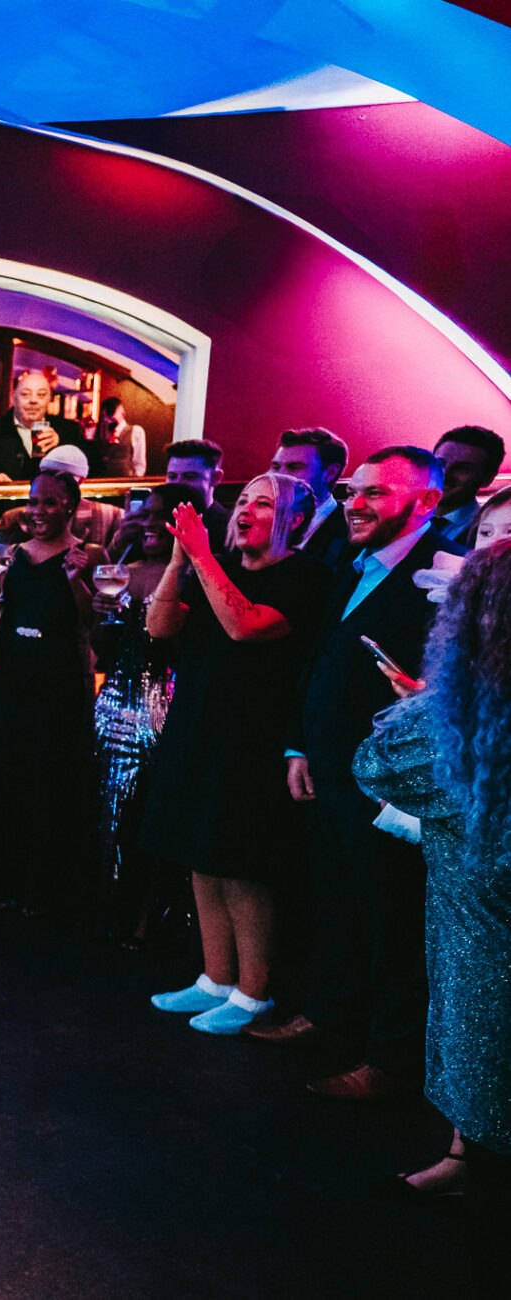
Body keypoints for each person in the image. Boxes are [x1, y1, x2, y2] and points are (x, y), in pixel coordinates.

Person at [248, 448, 460, 1100]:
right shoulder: (355, 563)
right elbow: (323, 660)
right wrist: (297, 747)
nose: (355, 503)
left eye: (374, 493)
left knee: (391, 917)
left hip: (393, 781)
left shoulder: (445, 574)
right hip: (332, 767)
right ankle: (332, 1018)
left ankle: (390, 1062)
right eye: (351, 490)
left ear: (424, 502)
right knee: (337, 904)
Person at [354, 541, 511, 1290]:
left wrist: (430, 694)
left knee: (493, 1171)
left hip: (488, 968)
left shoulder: (456, 727)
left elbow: (372, 764)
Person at [140, 474, 332, 1033]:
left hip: (254, 737)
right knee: (200, 855)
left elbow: (246, 626)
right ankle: (214, 979)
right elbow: (159, 627)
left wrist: (203, 557)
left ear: (295, 520)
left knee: (242, 864)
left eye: (264, 504)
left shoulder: (306, 575)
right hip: (198, 726)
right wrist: (180, 562)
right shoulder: (206, 566)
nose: (245, 510)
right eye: (243, 500)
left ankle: (254, 993)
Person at [0, 469, 106, 917]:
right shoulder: (10, 555)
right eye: (32, 502)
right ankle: (3, 882)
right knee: (7, 779)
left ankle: (44, 891)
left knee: (49, 784)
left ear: (70, 506)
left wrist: (74, 578)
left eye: (49, 502)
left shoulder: (89, 554)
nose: (36, 511)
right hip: (13, 678)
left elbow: (89, 623)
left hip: (60, 684)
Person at [89, 485, 194, 945]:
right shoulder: (121, 571)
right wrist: (105, 617)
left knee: (154, 815)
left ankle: (155, 922)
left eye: (162, 516)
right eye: (145, 514)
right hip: (114, 706)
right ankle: (110, 912)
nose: (150, 523)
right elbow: (101, 653)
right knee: (110, 813)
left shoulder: (195, 578)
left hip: (168, 710)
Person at [0, 369, 84, 482]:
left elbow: (91, 465)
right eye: (26, 394)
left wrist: (60, 442)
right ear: (13, 398)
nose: (33, 400)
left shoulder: (69, 430)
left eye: (41, 395)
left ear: (49, 399)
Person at [0, 444, 123, 548]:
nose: (54, 483)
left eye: (66, 479)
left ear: (81, 481)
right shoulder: (14, 519)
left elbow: (115, 566)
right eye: (49, 476)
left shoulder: (112, 517)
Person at [269, 427, 351, 567]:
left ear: (330, 473)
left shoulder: (350, 531)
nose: (277, 477)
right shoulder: (257, 519)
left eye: (294, 467)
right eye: (276, 467)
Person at [430, 424, 505, 547]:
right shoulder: (397, 516)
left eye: (462, 468)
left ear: (488, 478)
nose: (445, 474)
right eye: (440, 463)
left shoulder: (493, 538)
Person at [162, 439, 229, 538]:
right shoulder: (155, 522)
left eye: (189, 477)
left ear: (216, 478)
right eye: (172, 477)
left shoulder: (230, 529)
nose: (178, 484)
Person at [96, 396, 147, 477]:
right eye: (105, 417)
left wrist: (135, 482)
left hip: (126, 481)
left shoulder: (136, 431)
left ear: (122, 412)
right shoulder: (102, 430)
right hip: (104, 481)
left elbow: (140, 464)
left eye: (110, 415)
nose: (107, 420)